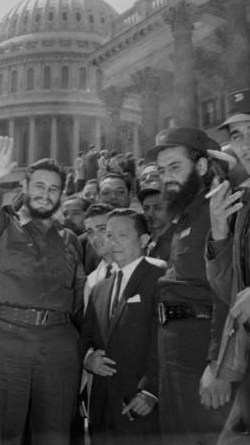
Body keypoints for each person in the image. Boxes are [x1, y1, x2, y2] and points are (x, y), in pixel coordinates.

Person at [0, 136, 85, 445]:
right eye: (38, 186)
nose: (45, 195)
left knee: (55, 435)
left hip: (59, 345)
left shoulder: (71, 241)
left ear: (61, 196)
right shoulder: (1, 227)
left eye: (53, 190)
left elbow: (78, 299)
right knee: (1, 434)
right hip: (6, 341)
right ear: (24, 186)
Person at [146, 127, 232, 445]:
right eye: (161, 170)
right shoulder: (181, 217)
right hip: (173, 347)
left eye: (175, 167)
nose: (166, 177)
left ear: (200, 167)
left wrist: (218, 364)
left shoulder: (218, 212)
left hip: (201, 349)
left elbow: (226, 291)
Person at [80, 209, 163, 445]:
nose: (112, 241)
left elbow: (167, 340)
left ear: (144, 240)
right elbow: (85, 339)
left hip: (140, 404)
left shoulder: (161, 278)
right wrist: (88, 360)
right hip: (102, 409)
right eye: (109, 235)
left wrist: (151, 390)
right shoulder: (99, 289)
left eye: (122, 235)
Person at [205, 88, 250, 443]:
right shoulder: (244, 203)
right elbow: (230, 292)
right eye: (237, 136)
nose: (245, 146)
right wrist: (220, 233)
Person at [82, 203, 113, 308]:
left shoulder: (138, 268)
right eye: (90, 232)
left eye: (102, 229)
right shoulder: (91, 280)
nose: (95, 238)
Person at [137, 177, 173, 262]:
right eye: (146, 208)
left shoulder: (177, 240)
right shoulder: (143, 243)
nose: (150, 213)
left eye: (157, 208)